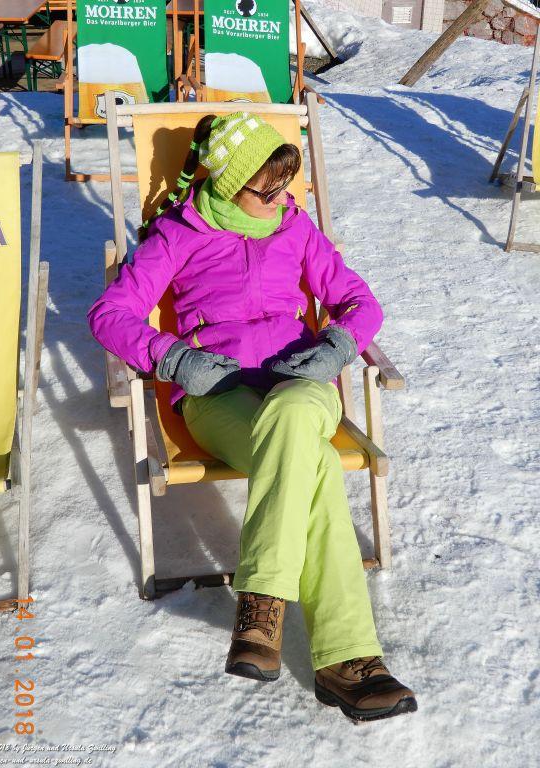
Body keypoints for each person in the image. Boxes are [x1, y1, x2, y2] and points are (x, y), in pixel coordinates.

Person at [88, 112, 417, 723]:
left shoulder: (296, 228)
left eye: (284, 185)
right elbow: (110, 314)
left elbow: (359, 301)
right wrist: (177, 359)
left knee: (296, 414)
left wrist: (337, 347)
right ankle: (350, 662)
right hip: (218, 397)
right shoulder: (178, 234)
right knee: (313, 460)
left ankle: (261, 604)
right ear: (227, 180)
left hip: (301, 383)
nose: (278, 199)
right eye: (263, 187)